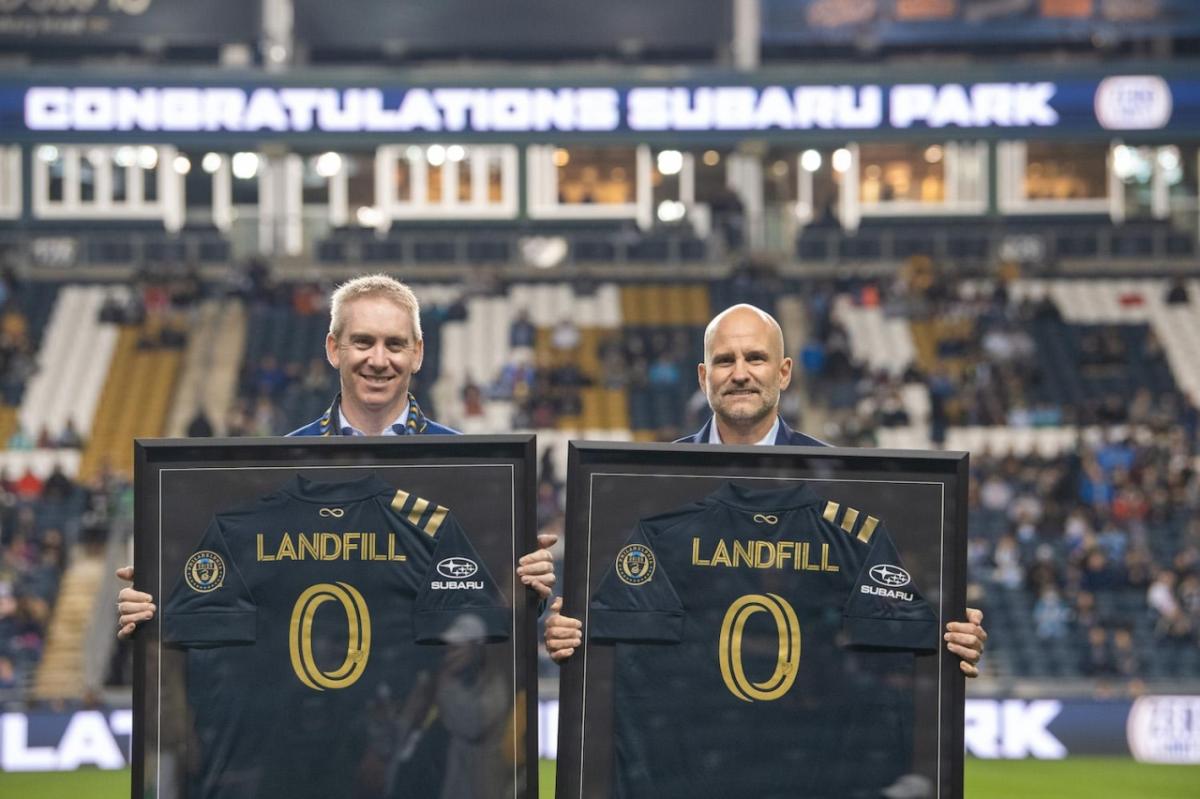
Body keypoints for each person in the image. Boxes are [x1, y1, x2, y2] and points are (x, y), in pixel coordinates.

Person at [543, 304, 988, 676]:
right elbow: (609, 613)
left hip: (805, 732)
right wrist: (570, 629)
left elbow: (889, 620)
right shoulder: (654, 485)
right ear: (703, 377)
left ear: (784, 372)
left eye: (755, 358)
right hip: (687, 741)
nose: (739, 373)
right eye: (724, 361)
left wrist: (948, 636)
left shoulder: (841, 483)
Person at [116, 274, 557, 637]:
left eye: (395, 344)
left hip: (417, 720)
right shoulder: (279, 467)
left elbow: (490, 617)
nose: (378, 360)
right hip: (306, 715)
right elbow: (234, 601)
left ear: (418, 354)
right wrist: (157, 605)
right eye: (363, 342)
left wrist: (527, 592)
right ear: (333, 349)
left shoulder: (471, 471)